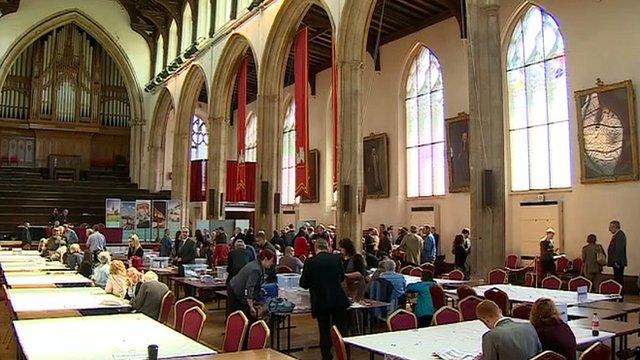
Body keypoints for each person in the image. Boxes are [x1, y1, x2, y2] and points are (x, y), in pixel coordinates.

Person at [300, 239, 350, 360]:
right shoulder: (336, 259)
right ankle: (345, 355)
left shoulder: (310, 262)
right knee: (342, 330)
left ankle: (327, 357)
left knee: (324, 331)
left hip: (320, 300)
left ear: (315, 247)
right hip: (338, 299)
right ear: (327, 246)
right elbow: (342, 278)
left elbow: (304, 284)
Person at [476, 300, 541, 360]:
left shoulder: (490, 336)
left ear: (485, 320)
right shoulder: (529, 326)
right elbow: (540, 354)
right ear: (500, 311)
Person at [228, 249, 276, 321]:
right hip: (236, 291)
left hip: (236, 287)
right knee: (240, 316)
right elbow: (249, 288)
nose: (271, 264)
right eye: (271, 261)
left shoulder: (257, 264)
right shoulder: (256, 269)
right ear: (265, 259)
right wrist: (251, 306)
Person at [607, 220, 627, 291]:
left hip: (618, 262)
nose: (609, 229)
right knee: (617, 279)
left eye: (610, 227)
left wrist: (616, 261)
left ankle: (619, 296)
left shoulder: (620, 235)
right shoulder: (617, 235)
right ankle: (617, 295)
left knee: (618, 280)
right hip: (616, 262)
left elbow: (619, 249)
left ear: (615, 227)